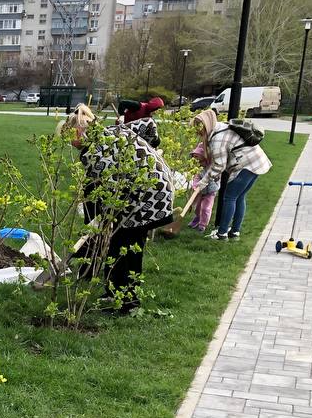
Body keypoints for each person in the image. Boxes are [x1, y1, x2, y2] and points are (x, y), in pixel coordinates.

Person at [57, 104, 176, 314]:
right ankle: (114, 293)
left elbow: (105, 187)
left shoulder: (95, 151)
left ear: (78, 132)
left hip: (146, 198)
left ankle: (127, 302)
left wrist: (100, 216)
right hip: (147, 191)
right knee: (117, 244)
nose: (70, 144)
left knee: (127, 248)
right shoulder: (106, 135)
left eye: (69, 138)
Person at [195, 108, 272, 241]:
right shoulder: (220, 126)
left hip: (246, 165)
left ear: (206, 125)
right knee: (239, 196)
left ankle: (222, 233)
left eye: (199, 128)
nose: (198, 132)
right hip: (257, 162)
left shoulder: (217, 138)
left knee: (229, 197)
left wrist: (203, 181)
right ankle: (235, 232)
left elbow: (219, 165)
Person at [186, 137, 219, 233]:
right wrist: (195, 185)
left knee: (206, 208)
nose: (195, 158)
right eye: (194, 156)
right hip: (200, 190)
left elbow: (215, 172)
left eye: (197, 156)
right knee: (198, 208)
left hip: (210, 191)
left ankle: (202, 225)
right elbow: (196, 177)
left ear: (203, 155)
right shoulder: (198, 166)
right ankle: (197, 219)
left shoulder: (210, 165)